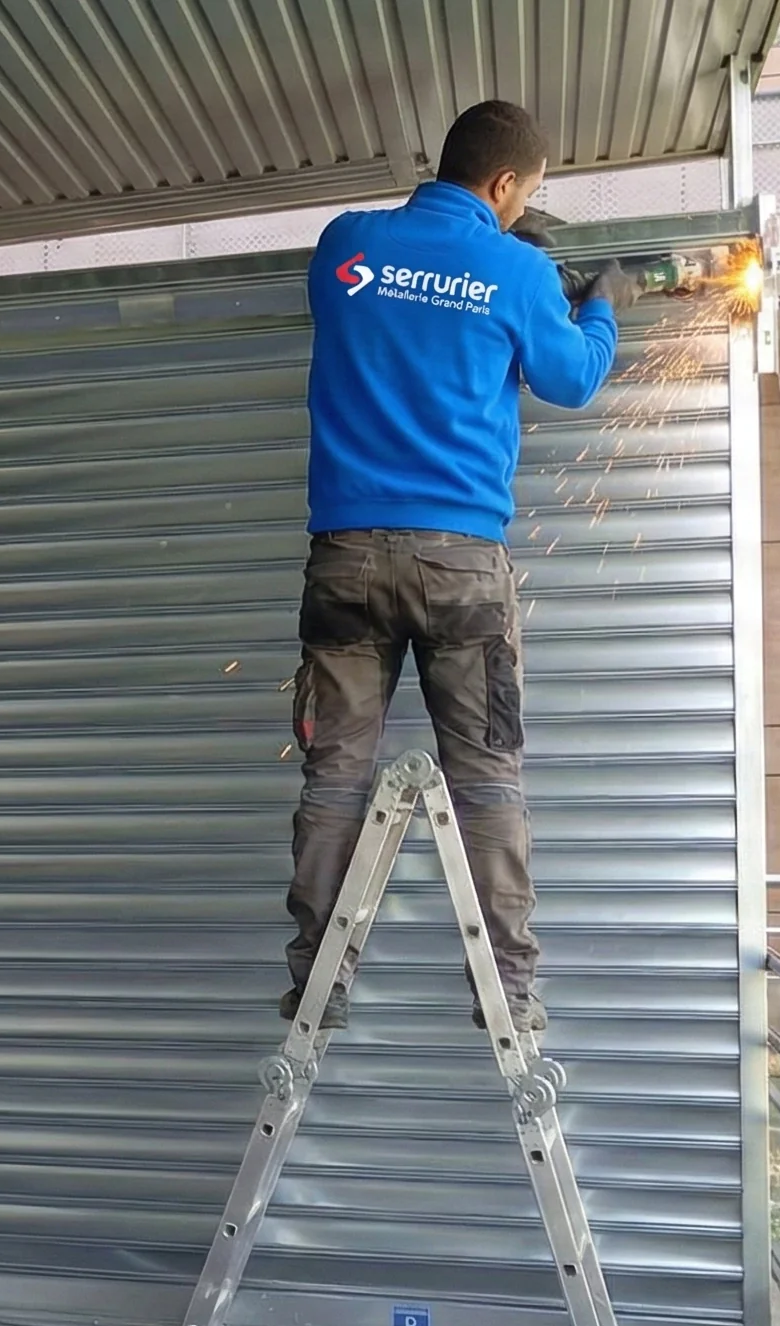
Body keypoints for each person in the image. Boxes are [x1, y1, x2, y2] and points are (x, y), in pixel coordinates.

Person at [284, 99, 636, 1035]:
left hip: (346, 561)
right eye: (528, 195)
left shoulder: (344, 245)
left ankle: (316, 984)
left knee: (333, 780)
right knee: (485, 781)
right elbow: (571, 378)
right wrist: (595, 306)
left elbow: (383, 303)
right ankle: (509, 993)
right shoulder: (517, 269)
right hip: (461, 571)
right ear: (507, 183)